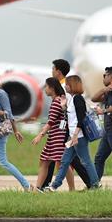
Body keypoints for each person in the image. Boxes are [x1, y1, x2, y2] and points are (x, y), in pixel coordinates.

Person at [41, 59, 91, 189]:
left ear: (58, 71)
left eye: (53, 69)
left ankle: (90, 183)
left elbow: (66, 108)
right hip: (65, 126)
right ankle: (48, 185)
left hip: (66, 127)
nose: (51, 71)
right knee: (59, 157)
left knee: (65, 158)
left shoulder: (64, 87)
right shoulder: (63, 84)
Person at [44, 75, 100, 191]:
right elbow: (72, 116)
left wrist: (74, 136)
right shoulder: (72, 99)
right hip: (72, 136)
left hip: (78, 137)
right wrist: (64, 106)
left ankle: (95, 184)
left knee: (86, 161)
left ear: (72, 86)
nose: (65, 86)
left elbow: (81, 118)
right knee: (64, 161)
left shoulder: (78, 98)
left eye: (67, 84)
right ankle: (54, 186)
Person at [32, 78, 68, 189]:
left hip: (58, 137)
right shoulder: (57, 101)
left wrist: (40, 135)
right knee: (44, 160)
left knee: (61, 164)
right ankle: (38, 188)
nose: (45, 89)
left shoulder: (56, 102)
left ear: (52, 88)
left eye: (46, 87)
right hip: (53, 137)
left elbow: (51, 122)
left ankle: (72, 189)